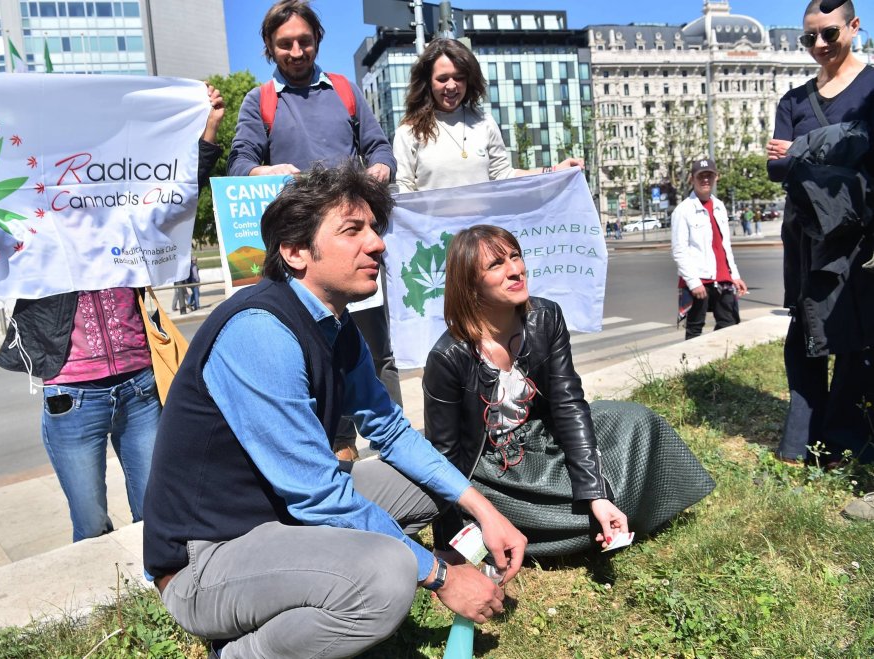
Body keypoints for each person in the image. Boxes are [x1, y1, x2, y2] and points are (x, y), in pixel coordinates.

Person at [143, 163, 527, 658]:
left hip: (277, 521)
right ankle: (242, 653)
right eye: (353, 230)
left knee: (430, 482)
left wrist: (483, 509)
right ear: (295, 251)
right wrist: (440, 575)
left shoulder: (336, 327)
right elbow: (318, 495)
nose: (377, 244)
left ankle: (319, 591)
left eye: (375, 228)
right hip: (206, 560)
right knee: (388, 577)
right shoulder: (260, 330)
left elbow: (390, 430)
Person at [0, 87, 226, 542]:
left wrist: (208, 130)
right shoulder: (29, 222)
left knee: (156, 515)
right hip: (72, 395)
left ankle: (156, 601)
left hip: (141, 385)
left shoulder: (126, 210)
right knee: (91, 527)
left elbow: (177, 197)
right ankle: (112, 613)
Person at [422, 225, 715, 559]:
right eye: (496, 265)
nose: (515, 270)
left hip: (544, 435)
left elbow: (568, 404)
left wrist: (595, 492)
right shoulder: (447, 357)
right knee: (564, 509)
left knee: (638, 421)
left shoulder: (546, 317)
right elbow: (444, 456)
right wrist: (450, 546)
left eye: (515, 256)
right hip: (497, 467)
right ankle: (578, 517)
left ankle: (605, 504)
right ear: (470, 286)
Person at [227, 0, 400, 460]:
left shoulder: (345, 90)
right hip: (304, 257)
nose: (297, 51)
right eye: (285, 44)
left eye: (305, 41)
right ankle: (337, 453)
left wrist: (379, 171)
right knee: (318, 354)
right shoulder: (258, 102)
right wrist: (257, 174)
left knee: (376, 352)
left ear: (317, 41)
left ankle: (395, 450)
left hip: (351, 244)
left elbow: (380, 149)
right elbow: (239, 162)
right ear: (269, 47)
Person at [765, 0, 874, 470]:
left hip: (857, 237)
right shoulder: (792, 99)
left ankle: (843, 444)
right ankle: (800, 443)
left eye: (828, 33)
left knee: (852, 338)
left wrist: (804, 149)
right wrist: (836, 152)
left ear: (853, 26)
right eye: (809, 38)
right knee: (803, 333)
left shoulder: (872, 88)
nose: (819, 45)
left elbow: (867, 140)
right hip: (805, 235)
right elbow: (775, 166)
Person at [393, 38, 582, 193]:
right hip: (435, 236)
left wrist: (555, 171)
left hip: (480, 234)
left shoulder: (485, 122)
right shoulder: (408, 132)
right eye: (442, 79)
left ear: (469, 79)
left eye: (458, 77)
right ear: (428, 82)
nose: (451, 86)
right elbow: (404, 190)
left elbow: (503, 174)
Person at [671, 158, 748, 340]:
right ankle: (692, 365)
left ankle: (718, 361)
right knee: (695, 328)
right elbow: (679, 250)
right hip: (698, 279)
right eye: (701, 176)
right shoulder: (683, 211)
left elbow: (724, 245)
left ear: (716, 178)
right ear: (692, 179)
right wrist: (693, 282)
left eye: (709, 176)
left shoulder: (719, 206)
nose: (706, 180)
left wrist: (734, 275)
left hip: (723, 278)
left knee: (729, 323)